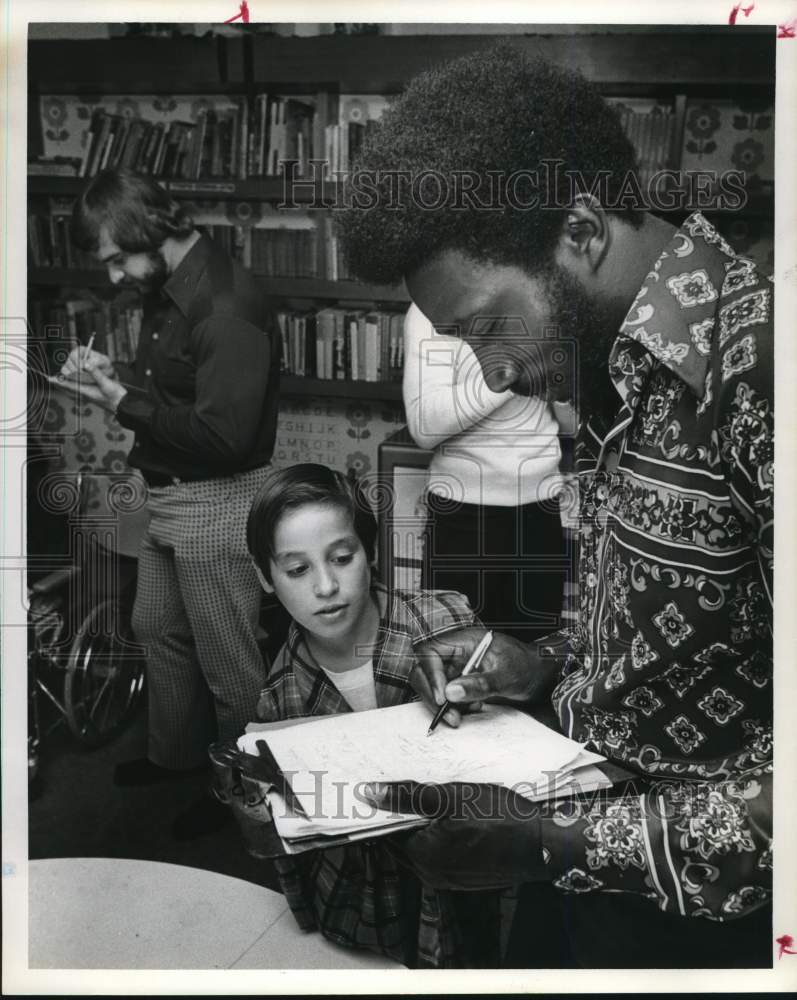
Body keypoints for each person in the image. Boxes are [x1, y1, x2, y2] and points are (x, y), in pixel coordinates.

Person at [336, 46, 773, 967]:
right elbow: (694, 635)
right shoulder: (609, 371)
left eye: (488, 326)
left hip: (707, 927)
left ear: (579, 229)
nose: (490, 371)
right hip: (583, 854)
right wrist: (536, 664)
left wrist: (546, 844)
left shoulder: (764, 372)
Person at [58, 168, 281, 838]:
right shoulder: (165, 286)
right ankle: (178, 757)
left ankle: (243, 796)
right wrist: (114, 380)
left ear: (149, 233)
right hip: (168, 494)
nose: (114, 275)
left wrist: (122, 401)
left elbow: (224, 436)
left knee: (231, 666)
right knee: (156, 625)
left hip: (217, 498)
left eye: (117, 258)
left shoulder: (225, 304)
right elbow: (176, 396)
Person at [240, 463, 493, 967]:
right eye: (297, 570)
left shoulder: (447, 623)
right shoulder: (278, 698)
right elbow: (294, 846)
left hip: (466, 878)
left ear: (370, 552)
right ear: (265, 577)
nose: (326, 586)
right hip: (358, 897)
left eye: (342, 557)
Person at [403, 302, 569, 642]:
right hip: (461, 517)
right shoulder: (430, 306)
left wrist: (558, 374)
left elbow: (573, 424)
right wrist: (512, 375)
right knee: (452, 658)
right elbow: (424, 427)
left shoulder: (544, 298)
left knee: (534, 661)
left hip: (541, 515)